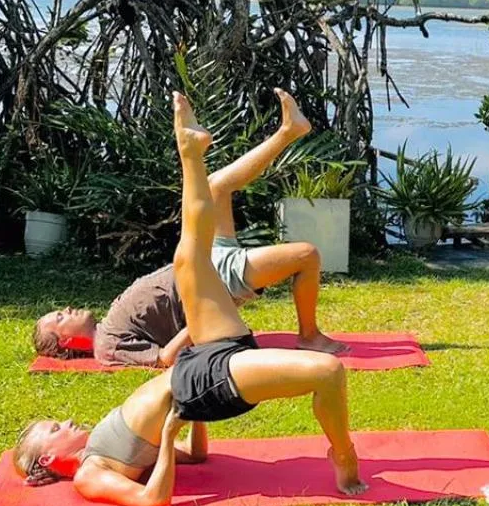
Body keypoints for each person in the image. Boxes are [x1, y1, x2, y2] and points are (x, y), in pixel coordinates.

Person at [13, 92, 366, 506]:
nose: (68, 420)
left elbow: (198, 457)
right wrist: (167, 435)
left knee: (190, 253)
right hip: (201, 383)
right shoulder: (90, 474)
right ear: (49, 458)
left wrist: (187, 424)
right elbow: (153, 500)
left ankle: (191, 151)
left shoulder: (102, 446)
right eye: (56, 428)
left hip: (198, 368)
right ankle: (344, 455)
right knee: (328, 372)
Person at [32, 89, 346, 366]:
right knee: (306, 255)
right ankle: (309, 336)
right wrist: (207, 313)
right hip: (210, 281)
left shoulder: (108, 329)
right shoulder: (107, 346)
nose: (67, 309)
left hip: (203, 261)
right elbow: (166, 357)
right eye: (60, 317)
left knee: (215, 187)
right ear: (67, 342)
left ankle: (289, 131)